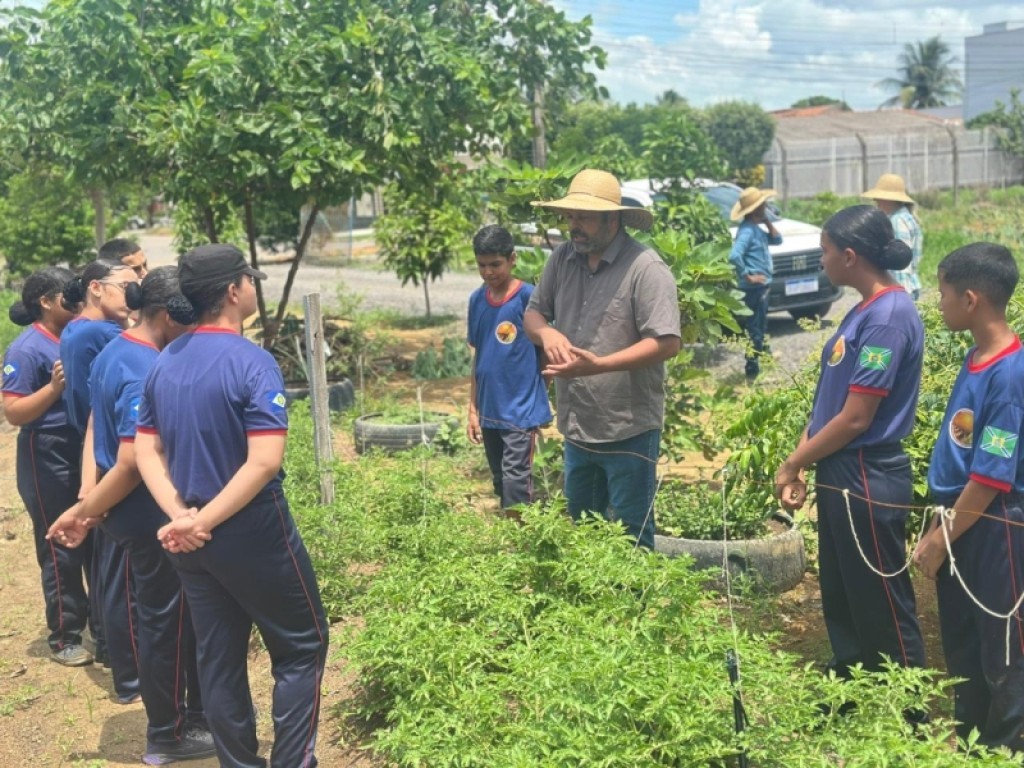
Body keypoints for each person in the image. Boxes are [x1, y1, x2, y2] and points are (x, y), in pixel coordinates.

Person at [134, 244, 328, 767]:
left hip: (190, 541)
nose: (251, 287)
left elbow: (146, 448)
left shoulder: (165, 359)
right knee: (302, 646)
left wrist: (181, 516)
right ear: (231, 291)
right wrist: (202, 520)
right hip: (250, 531)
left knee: (217, 659)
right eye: (248, 279)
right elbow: (263, 463)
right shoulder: (252, 361)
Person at [46, 267, 214, 763]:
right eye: (188, 318)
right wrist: (85, 509)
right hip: (145, 512)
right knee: (167, 621)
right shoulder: (143, 367)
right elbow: (132, 462)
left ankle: (184, 718)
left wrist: (91, 501)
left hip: (126, 508)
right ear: (166, 314)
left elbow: (97, 419)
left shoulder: (118, 347)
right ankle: (168, 732)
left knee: (166, 616)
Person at [775, 205, 926, 680]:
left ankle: (904, 704)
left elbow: (857, 417)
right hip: (840, 466)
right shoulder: (863, 311)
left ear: (850, 255)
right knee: (842, 588)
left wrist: (791, 462)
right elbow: (829, 400)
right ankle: (851, 686)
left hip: (867, 470)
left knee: (879, 592)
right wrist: (800, 463)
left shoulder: (889, 317)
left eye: (824, 251)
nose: (821, 260)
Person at [524, 169, 681, 549]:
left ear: (614, 219)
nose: (573, 226)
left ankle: (633, 605)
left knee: (632, 536)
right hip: (578, 425)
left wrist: (599, 365)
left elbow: (666, 341)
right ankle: (594, 607)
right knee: (583, 530)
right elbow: (533, 312)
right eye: (570, 216)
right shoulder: (563, 258)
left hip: (627, 428)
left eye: (584, 217)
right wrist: (547, 333)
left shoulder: (646, 269)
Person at [912, 243, 1024, 752]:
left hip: (990, 523)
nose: (939, 304)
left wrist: (940, 539)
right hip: (959, 518)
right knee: (961, 637)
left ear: (971, 298)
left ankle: (1005, 746)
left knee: (1003, 645)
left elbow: (991, 476)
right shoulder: (975, 357)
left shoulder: (1009, 374)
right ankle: (973, 738)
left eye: (943, 294)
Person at [60, 259, 142, 701]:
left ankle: (112, 650)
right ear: (96, 288)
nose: (134, 294)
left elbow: (88, 412)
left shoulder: (76, 330)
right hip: (117, 460)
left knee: (109, 570)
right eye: (128, 286)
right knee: (123, 577)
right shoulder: (109, 337)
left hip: (97, 454)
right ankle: (129, 674)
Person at [2, 267, 92, 666]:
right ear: (45, 302)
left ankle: (101, 628)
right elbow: (14, 412)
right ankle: (65, 634)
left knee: (94, 533)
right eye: (66, 297)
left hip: (81, 445)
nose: (75, 303)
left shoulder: (74, 337)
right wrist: (53, 389)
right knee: (59, 544)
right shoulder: (26, 349)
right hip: (46, 451)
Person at [466, 224, 552, 511]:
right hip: (490, 409)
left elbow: (546, 352)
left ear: (512, 259)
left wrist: (538, 395)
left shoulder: (529, 298)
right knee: (501, 479)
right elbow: (479, 357)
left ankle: (522, 542)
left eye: (495, 264)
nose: (488, 272)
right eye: (482, 265)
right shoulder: (477, 300)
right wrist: (473, 408)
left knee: (517, 480)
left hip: (520, 409)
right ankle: (511, 539)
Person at [729, 186, 782, 380]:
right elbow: (734, 256)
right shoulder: (747, 232)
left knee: (760, 325)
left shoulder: (756, 229)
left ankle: (764, 358)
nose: (766, 206)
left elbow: (777, 240)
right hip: (754, 288)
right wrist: (747, 275)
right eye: (763, 205)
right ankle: (752, 370)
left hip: (761, 287)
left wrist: (767, 221)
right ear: (755, 209)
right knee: (755, 328)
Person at [861, 173, 922, 300]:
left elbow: (900, 262)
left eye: (879, 197)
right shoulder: (906, 217)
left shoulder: (897, 221)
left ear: (889, 199)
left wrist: (897, 294)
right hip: (908, 284)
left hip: (901, 287)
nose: (875, 201)